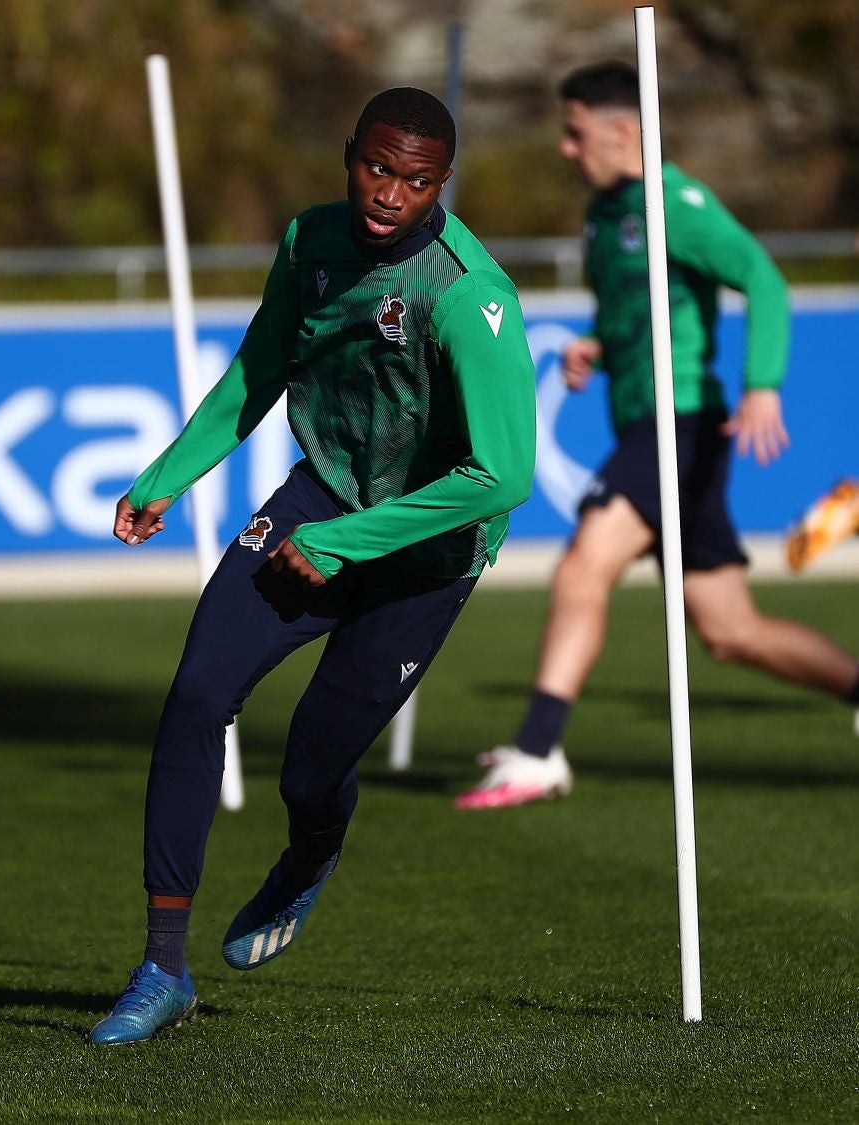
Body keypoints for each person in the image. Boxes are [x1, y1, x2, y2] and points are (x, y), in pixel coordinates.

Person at [89, 87, 536, 1043]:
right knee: (198, 692)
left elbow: (502, 477)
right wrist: (167, 474)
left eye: (416, 181)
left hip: (427, 549)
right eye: (377, 168)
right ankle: (162, 966)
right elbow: (259, 367)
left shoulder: (468, 296)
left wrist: (348, 543)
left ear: (439, 185)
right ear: (350, 156)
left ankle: (307, 858)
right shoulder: (308, 242)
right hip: (321, 499)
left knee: (310, 768)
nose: (390, 194)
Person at [456, 60, 859, 810]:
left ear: (623, 131)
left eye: (575, 134)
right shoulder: (604, 216)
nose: (564, 150)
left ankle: (538, 751)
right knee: (731, 630)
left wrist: (763, 382)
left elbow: (763, 279)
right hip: (646, 421)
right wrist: (596, 346)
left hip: (682, 424)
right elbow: (642, 311)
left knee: (582, 564)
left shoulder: (678, 203)